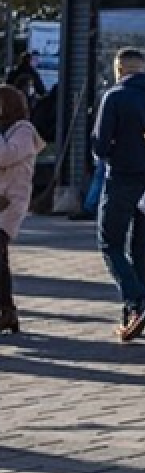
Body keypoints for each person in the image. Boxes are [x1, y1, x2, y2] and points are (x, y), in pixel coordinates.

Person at [92, 48, 145, 342]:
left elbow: (100, 145)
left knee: (109, 241)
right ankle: (134, 312)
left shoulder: (114, 96)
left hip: (122, 176)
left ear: (120, 68)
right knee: (141, 244)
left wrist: (112, 154)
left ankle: (137, 301)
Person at [0, 85, 46, 334]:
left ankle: (7, 311)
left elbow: (5, 156)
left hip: (11, 201)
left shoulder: (24, 131)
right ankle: (8, 311)